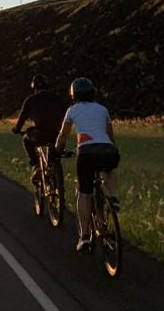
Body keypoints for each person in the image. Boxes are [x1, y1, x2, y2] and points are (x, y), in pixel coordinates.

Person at [55, 77, 121, 254]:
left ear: (73, 95)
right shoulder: (103, 109)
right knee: (109, 167)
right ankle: (113, 197)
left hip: (86, 153)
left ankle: (84, 237)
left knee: (84, 194)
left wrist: (57, 150)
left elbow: (63, 135)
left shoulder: (72, 110)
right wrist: (112, 149)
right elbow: (110, 136)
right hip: (108, 150)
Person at [11, 74, 68, 183]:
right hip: (58, 135)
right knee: (56, 155)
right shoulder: (58, 99)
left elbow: (21, 119)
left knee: (26, 139)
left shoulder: (30, 100)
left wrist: (16, 129)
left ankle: (36, 165)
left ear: (34, 88)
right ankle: (59, 188)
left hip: (40, 135)